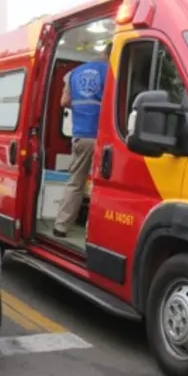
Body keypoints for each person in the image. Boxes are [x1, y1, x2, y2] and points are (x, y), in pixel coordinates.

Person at [53, 42, 112, 238]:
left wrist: (80, 109)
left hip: (80, 135)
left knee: (75, 183)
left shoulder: (74, 73)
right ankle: (91, 232)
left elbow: (63, 102)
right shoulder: (111, 72)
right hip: (103, 140)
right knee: (100, 186)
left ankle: (61, 226)